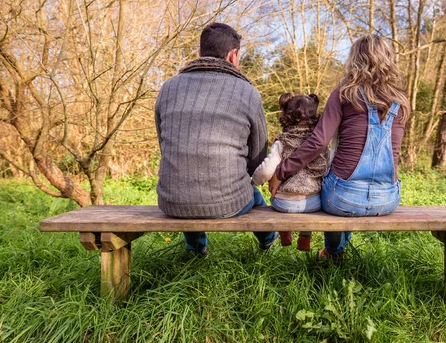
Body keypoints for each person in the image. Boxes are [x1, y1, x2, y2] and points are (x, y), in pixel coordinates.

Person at [269, 34, 410, 260]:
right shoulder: (401, 101)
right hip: (387, 199)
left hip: (342, 199)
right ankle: (335, 250)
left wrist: (281, 171)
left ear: (355, 60)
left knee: (335, 186)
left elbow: (318, 142)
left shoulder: (344, 93)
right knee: (347, 188)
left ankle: (334, 251)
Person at [155, 23, 278, 256]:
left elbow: (165, 145)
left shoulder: (168, 87)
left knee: (185, 176)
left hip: (173, 201)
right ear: (233, 55)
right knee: (253, 193)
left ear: (200, 53)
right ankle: (268, 242)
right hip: (230, 203)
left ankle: (196, 250)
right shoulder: (247, 91)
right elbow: (258, 157)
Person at [252, 93, 329, 251]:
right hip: (313, 202)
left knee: (276, 198)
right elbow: (327, 168)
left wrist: (255, 181)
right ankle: (305, 237)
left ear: (287, 116)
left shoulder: (283, 141)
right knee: (308, 207)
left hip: (284, 203)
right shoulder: (320, 143)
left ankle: (284, 231)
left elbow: (266, 171)